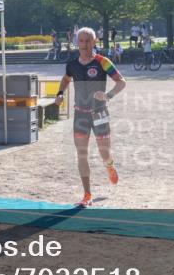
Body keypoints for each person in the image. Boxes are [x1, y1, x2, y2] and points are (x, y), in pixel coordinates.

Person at [54, 28, 126, 208]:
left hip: (100, 113)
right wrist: (60, 93)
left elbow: (121, 81)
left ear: (94, 42)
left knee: (104, 152)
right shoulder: (72, 64)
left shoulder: (103, 62)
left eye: (88, 41)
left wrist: (108, 95)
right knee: (82, 153)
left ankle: (109, 165)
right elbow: (65, 79)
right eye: (82, 40)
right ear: (77, 42)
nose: (85, 44)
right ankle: (87, 194)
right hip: (80, 114)